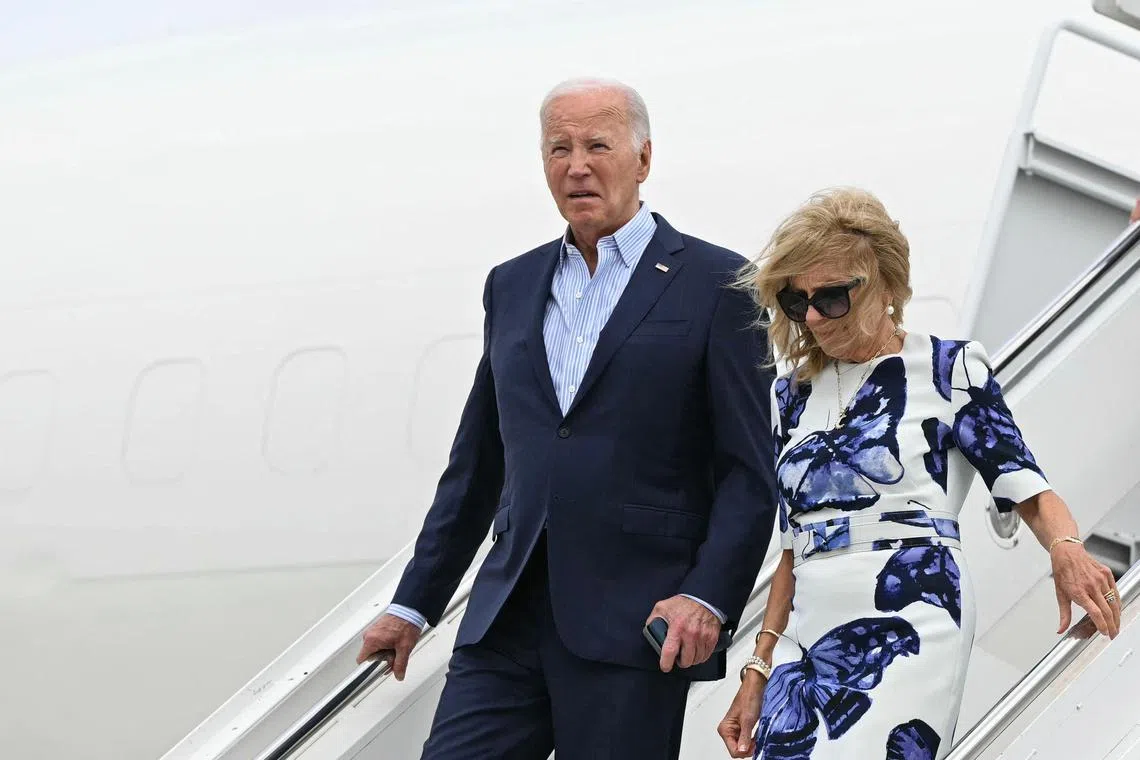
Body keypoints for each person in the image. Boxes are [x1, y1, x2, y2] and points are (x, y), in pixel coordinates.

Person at [356, 77, 778, 759]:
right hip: (506, 619)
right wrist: (413, 604)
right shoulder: (512, 284)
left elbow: (750, 472)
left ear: (643, 160)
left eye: (597, 145)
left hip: (637, 624)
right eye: (559, 148)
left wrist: (708, 595)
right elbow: (478, 465)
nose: (576, 165)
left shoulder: (717, 285)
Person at [717, 188, 1121, 760]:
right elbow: (790, 547)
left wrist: (1067, 548)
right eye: (795, 300)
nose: (811, 316)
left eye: (831, 298)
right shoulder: (790, 396)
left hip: (914, 612)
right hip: (808, 634)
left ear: (884, 285)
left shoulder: (948, 368)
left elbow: (1025, 484)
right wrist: (757, 669)